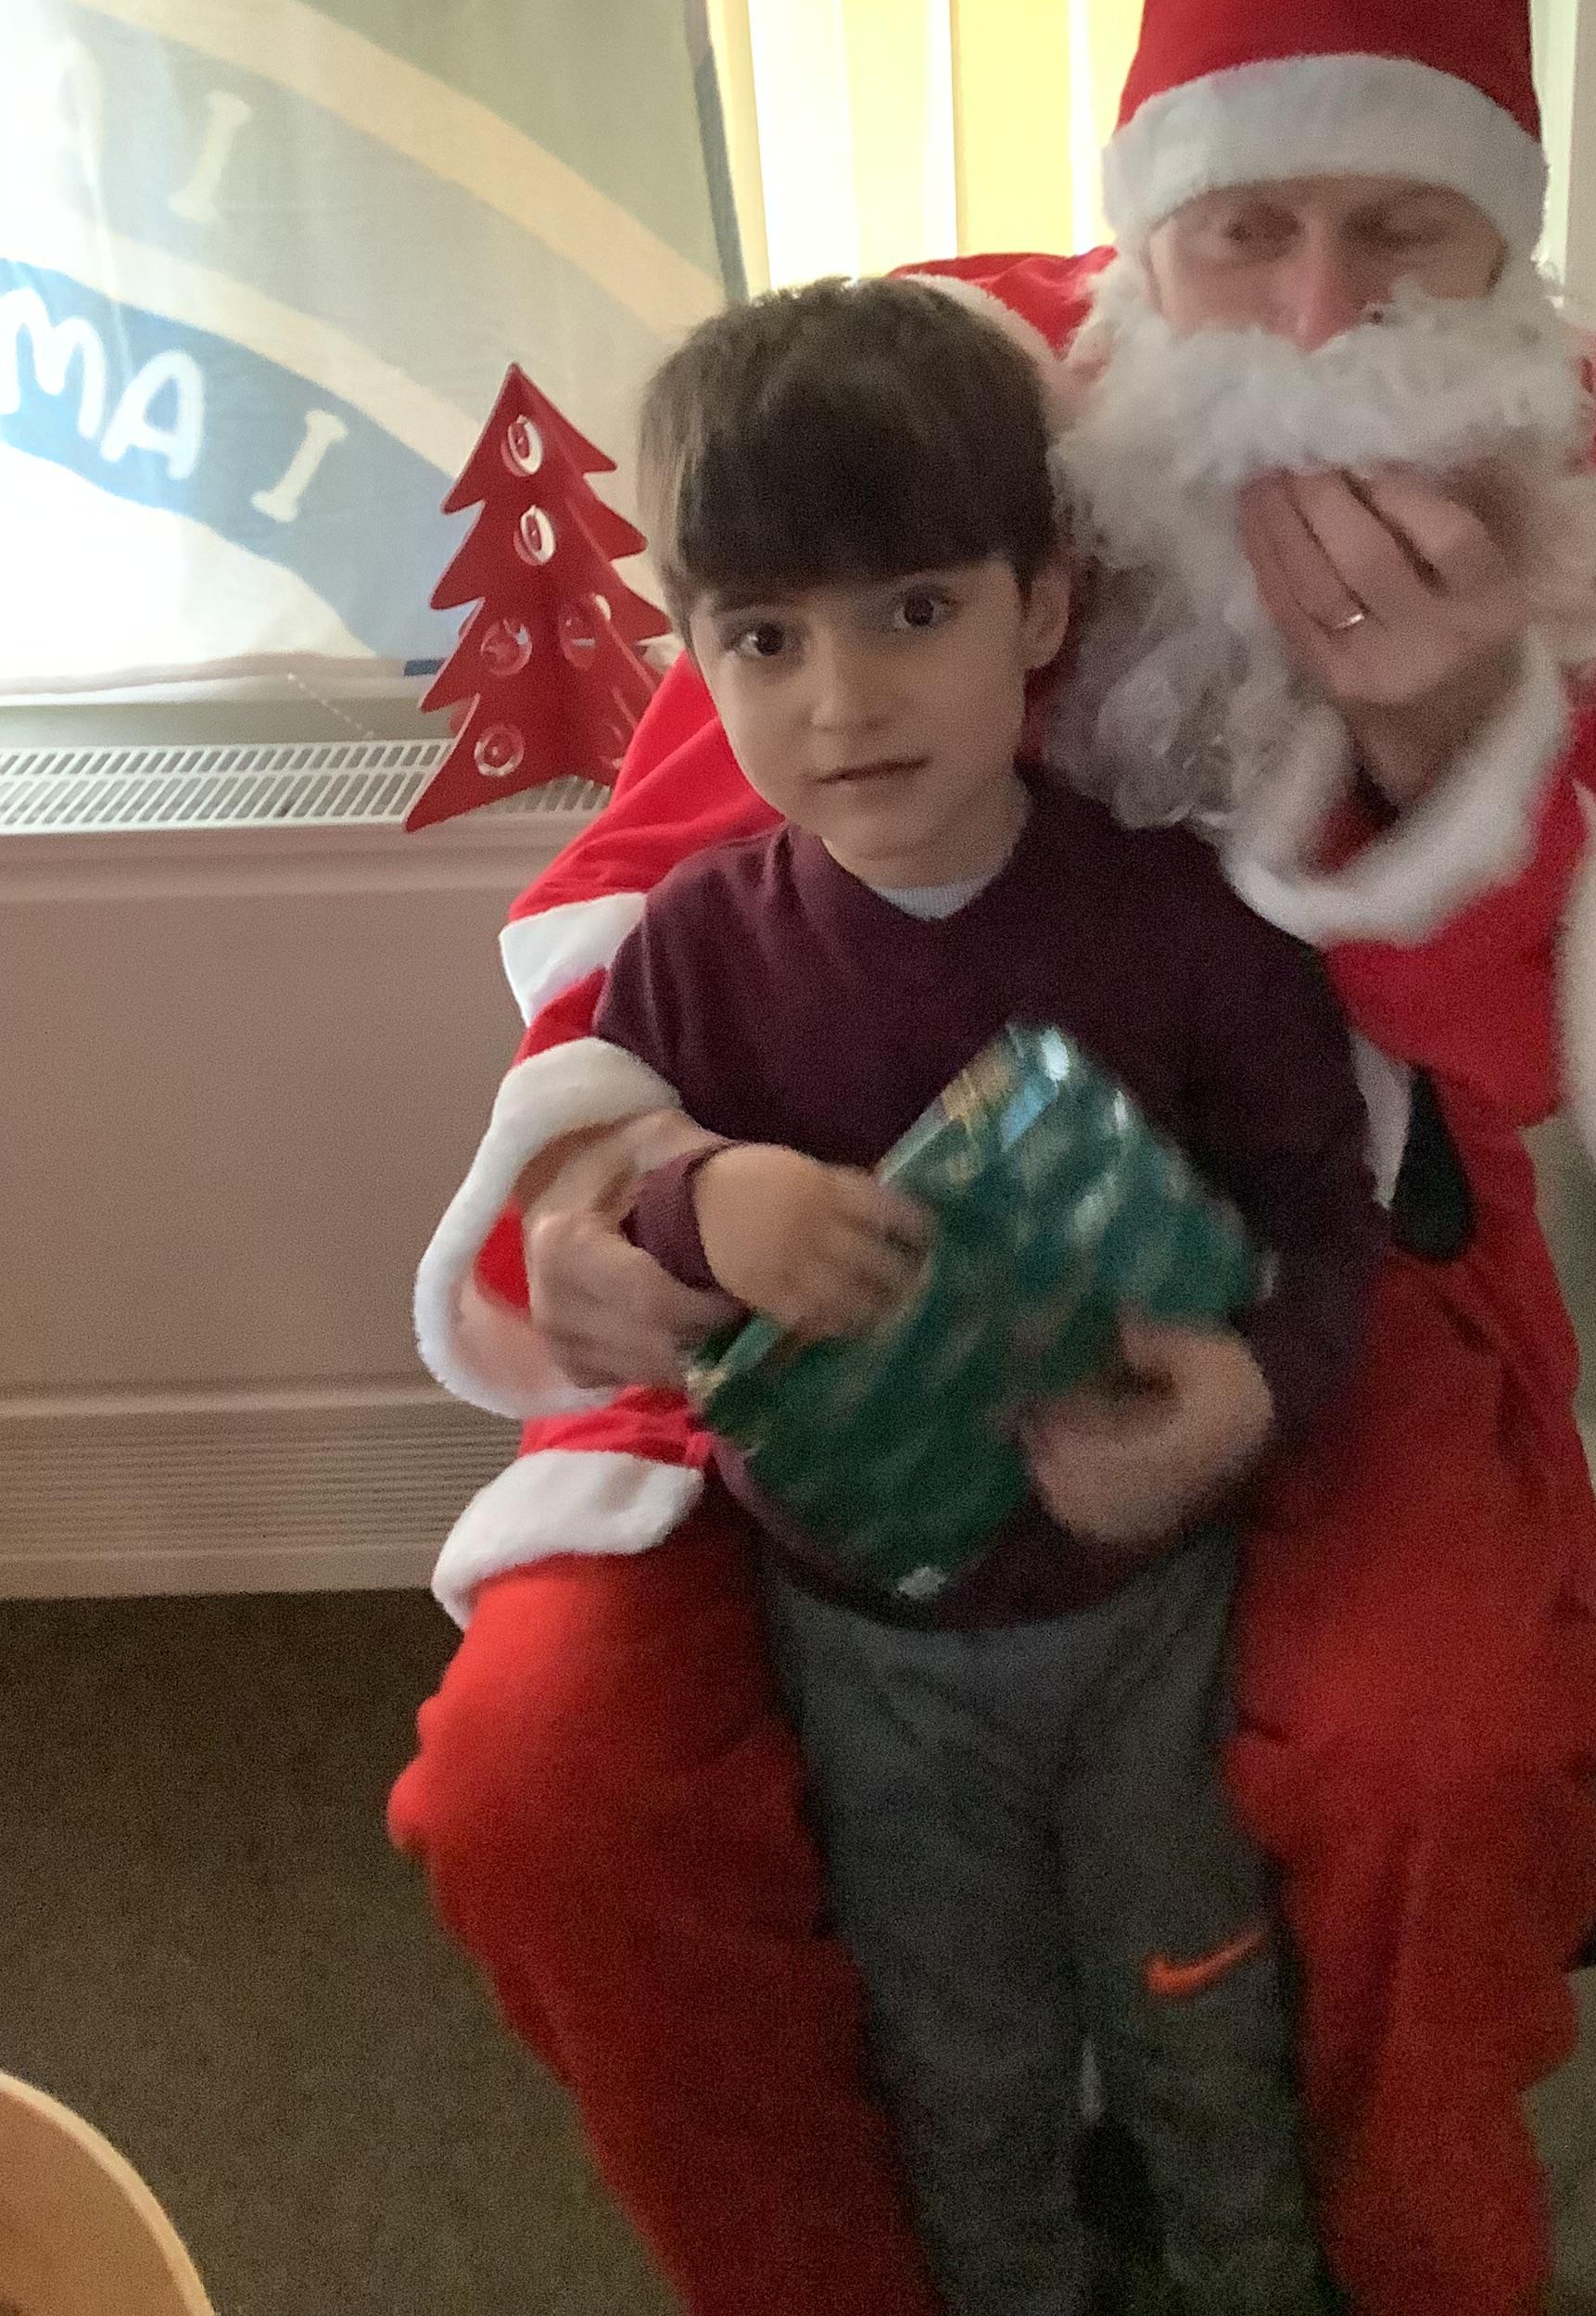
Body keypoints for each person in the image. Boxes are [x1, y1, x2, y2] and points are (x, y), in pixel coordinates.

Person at [392, 0, 1596, 2316]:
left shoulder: (1579, 472)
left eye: (1405, 236)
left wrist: (1449, 739)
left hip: (1322, 1234)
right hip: (813, 1252)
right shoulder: (963, 410)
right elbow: (657, 930)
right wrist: (619, 1202)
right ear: (1150, 225)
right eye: (1247, 230)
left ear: (1503, 250)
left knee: (1439, 1749)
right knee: (536, 1778)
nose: (1321, 312)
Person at [576, 277, 1372, 2316]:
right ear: (695, 653)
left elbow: (1323, 1219)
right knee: (961, 2039)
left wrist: (1247, 1399)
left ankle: (1249, 2277)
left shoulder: (1184, 925)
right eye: (765, 637)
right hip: (869, 1633)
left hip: (1147, 1611)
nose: (842, 700)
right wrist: (705, 1203)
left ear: (1041, 609)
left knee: (1199, 1999)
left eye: (912, 610)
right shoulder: (695, 948)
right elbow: (592, 1208)